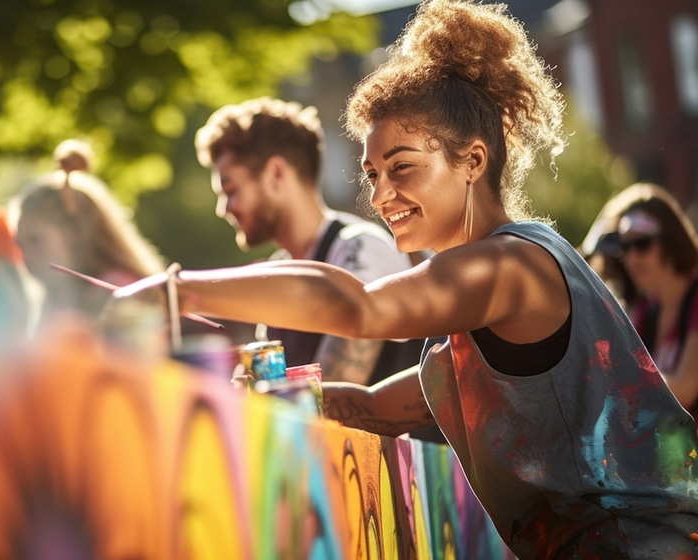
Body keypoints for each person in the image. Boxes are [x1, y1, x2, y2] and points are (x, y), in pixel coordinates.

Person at [114, 0, 698, 557]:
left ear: (472, 161)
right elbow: (381, 409)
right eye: (371, 174)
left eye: (402, 168)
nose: (380, 194)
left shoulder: (512, 265)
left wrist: (176, 289)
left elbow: (361, 309)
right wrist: (270, 399)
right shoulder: (471, 305)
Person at [194, 97, 423, 385]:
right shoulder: (277, 270)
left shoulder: (361, 247)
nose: (223, 209)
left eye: (231, 190)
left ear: (276, 174)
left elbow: (330, 396)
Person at [581, 183, 698, 419]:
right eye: (624, 247)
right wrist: (597, 247)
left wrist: (621, 373)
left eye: (642, 244)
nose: (631, 258)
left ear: (672, 241)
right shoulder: (645, 308)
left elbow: (684, 391)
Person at [9, 164, 165, 330]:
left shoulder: (122, 293)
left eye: (35, 240)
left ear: (74, 232)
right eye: (20, 245)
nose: (26, 256)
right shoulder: (54, 299)